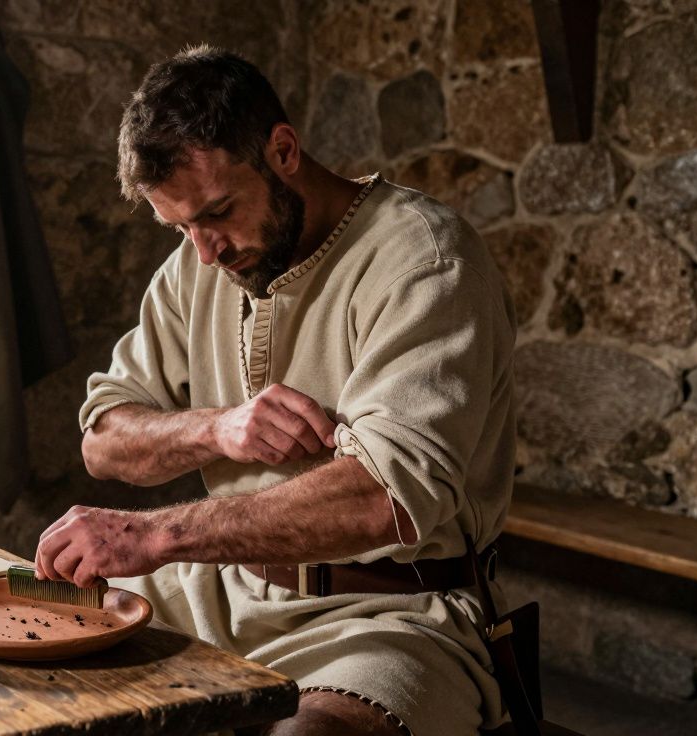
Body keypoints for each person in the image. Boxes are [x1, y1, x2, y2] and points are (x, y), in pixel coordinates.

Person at [33, 45, 517, 736]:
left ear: (283, 151)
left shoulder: (426, 261)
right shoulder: (196, 266)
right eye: (180, 227)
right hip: (219, 591)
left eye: (218, 211)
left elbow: (385, 497)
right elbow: (103, 439)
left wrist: (157, 534)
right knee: (31, 669)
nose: (206, 251)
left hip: (393, 615)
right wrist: (216, 428)